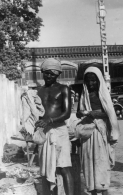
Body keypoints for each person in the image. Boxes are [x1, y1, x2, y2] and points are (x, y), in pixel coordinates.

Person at [76, 66, 120, 195]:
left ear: (99, 80)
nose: (91, 83)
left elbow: (109, 113)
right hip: (87, 134)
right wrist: (80, 113)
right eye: (88, 80)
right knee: (89, 163)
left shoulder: (103, 94)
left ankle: (104, 191)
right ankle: (93, 191)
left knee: (101, 163)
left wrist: (94, 113)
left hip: (100, 132)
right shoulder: (83, 94)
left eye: (94, 80)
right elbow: (79, 113)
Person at [36, 58, 74, 195]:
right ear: (42, 72)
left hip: (59, 132)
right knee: (46, 169)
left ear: (58, 74)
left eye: (52, 74)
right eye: (46, 73)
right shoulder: (38, 91)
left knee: (63, 167)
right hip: (44, 133)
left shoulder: (63, 89)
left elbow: (67, 113)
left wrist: (50, 120)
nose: (49, 76)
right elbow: (37, 114)